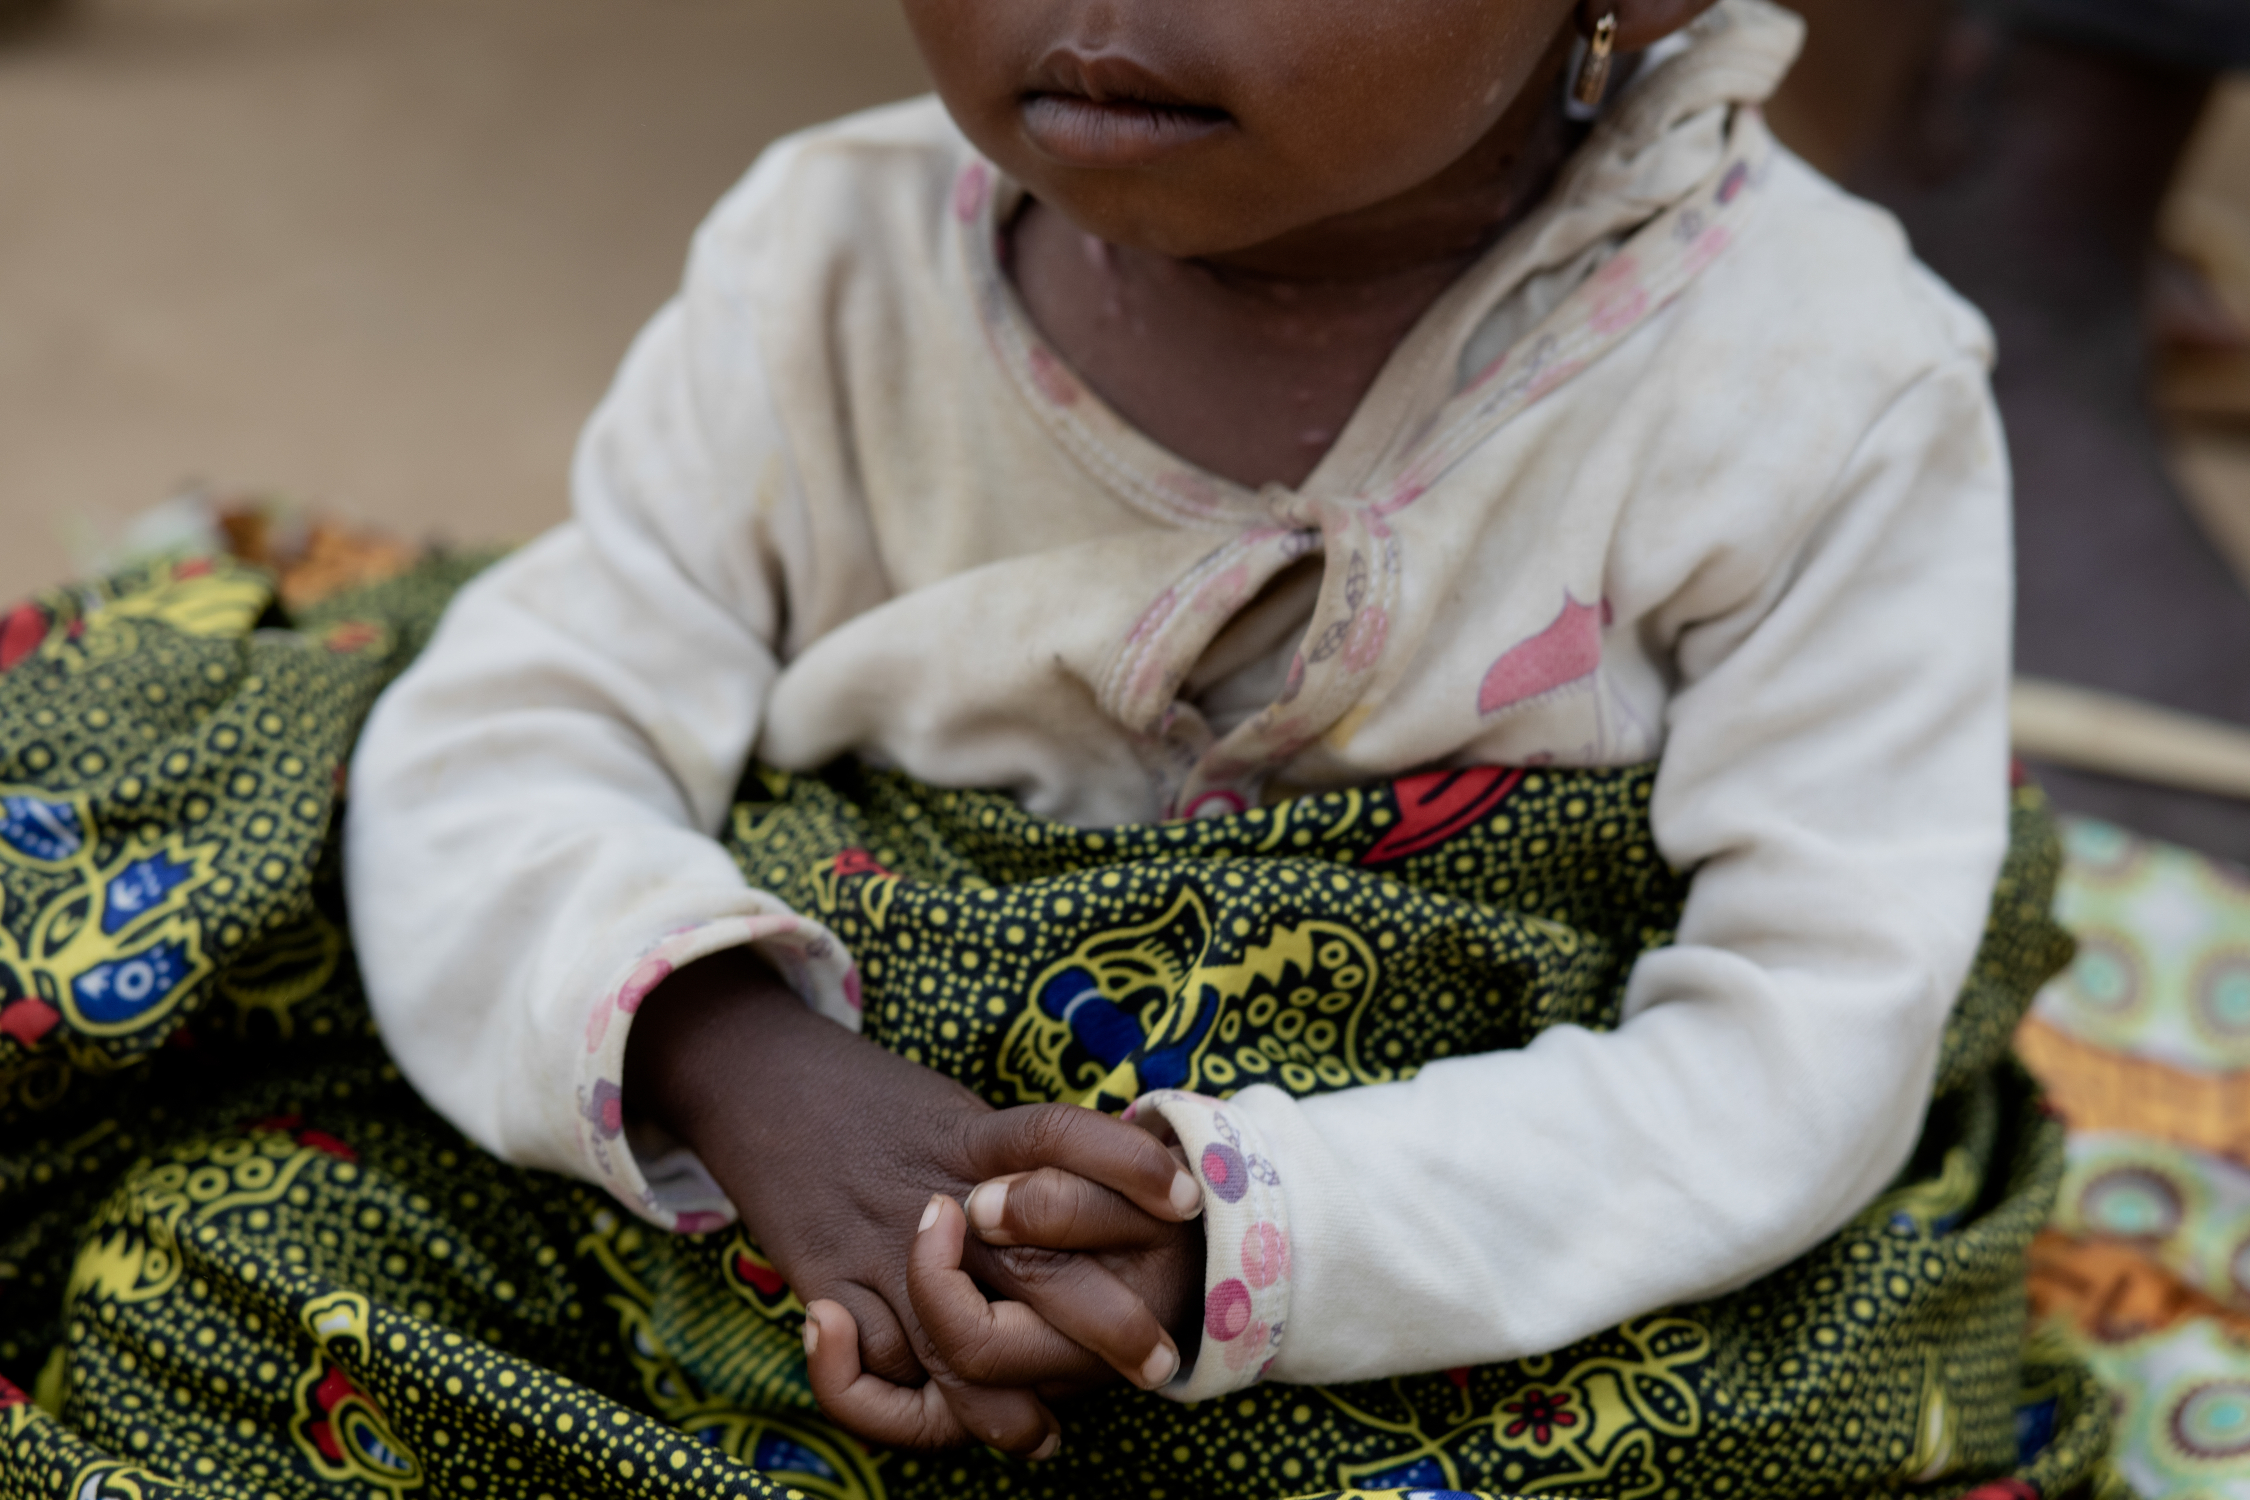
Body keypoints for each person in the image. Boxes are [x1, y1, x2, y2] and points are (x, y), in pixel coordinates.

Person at [330, 0, 2094, 1488]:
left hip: (1482, 1231)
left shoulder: (1823, 384)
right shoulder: (820, 267)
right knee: (275, 1265)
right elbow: (512, 738)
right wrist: (730, 1060)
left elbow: (1808, 1032)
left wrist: (1255, 1241)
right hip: (786, 1194)